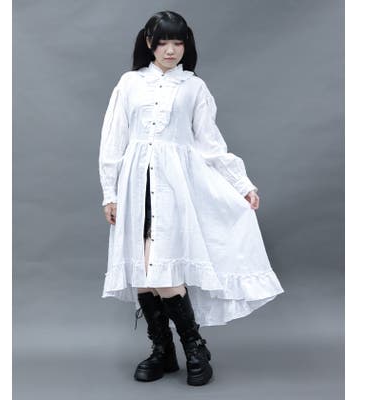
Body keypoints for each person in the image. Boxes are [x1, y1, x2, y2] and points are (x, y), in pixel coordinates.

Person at [98, 10, 285, 386]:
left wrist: (241, 184)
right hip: (136, 186)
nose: (170, 50)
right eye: (163, 42)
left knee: (162, 269)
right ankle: (163, 350)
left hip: (175, 188)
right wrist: (110, 193)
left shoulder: (194, 88)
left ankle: (194, 348)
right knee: (143, 274)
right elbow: (113, 141)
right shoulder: (130, 84)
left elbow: (210, 143)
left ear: (187, 45)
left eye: (177, 42)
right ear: (149, 43)